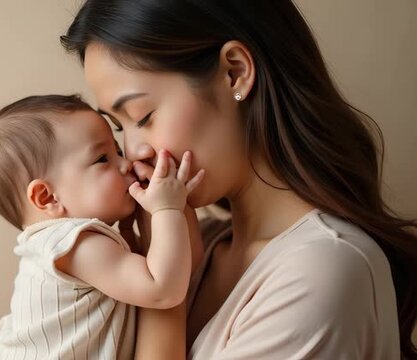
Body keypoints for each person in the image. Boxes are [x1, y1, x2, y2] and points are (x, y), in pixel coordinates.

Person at [60, 0, 417, 358]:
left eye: (144, 115)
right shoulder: (206, 245)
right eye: (119, 127)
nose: (133, 151)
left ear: (235, 73)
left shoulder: (321, 271)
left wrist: (164, 289)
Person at [0, 94, 205, 359]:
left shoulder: (53, 247)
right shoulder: (75, 244)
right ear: (48, 197)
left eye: (117, 151)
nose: (126, 163)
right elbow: (163, 290)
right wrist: (167, 209)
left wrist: (128, 233)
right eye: (103, 159)